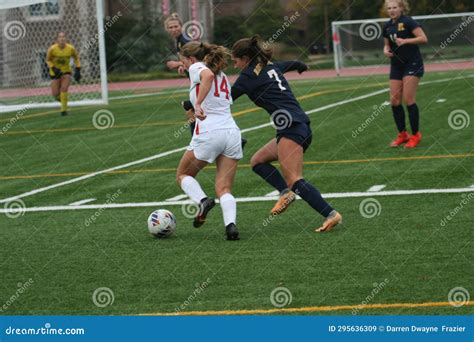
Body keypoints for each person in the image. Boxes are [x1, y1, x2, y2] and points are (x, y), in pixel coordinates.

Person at [230, 36, 342, 233]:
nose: (234, 65)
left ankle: (331, 214)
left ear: (246, 58)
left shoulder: (247, 77)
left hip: (291, 128)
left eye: (236, 60)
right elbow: (287, 64)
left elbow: (226, 99)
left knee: (296, 180)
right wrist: (300, 65)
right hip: (299, 125)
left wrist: (192, 104)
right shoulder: (269, 65)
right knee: (258, 161)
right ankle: (285, 193)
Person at [176, 42, 242, 240]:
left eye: (184, 62)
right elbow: (209, 79)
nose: (185, 66)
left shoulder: (199, 68)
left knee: (183, 175)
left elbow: (206, 76)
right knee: (224, 188)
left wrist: (197, 104)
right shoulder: (221, 74)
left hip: (209, 132)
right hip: (231, 132)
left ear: (191, 59)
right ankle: (230, 226)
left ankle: (203, 200)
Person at [383, 0, 428, 148]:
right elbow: (386, 44)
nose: (392, 10)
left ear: (401, 8)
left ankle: (415, 135)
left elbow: (423, 38)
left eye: (394, 7)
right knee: (395, 101)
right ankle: (403, 134)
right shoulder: (387, 26)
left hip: (412, 63)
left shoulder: (408, 22)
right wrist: (386, 50)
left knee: (408, 99)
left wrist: (405, 41)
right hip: (396, 65)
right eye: (389, 8)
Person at [46, 32, 81, 116]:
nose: (62, 39)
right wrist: (53, 68)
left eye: (63, 37)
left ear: (66, 39)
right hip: (55, 72)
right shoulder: (52, 49)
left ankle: (63, 111)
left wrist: (78, 69)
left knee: (64, 89)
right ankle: (64, 102)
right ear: (57, 39)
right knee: (55, 94)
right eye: (60, 37)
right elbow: (48, 60)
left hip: (66, 71)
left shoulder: (71, 48)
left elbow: (76, 58)